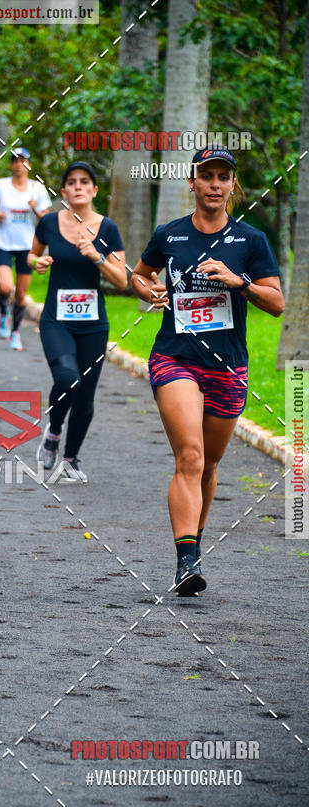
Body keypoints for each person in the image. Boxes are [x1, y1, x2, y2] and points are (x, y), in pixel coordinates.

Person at [131, 146, 284, 595]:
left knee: (210, 463)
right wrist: (150, 291)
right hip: (175, 356)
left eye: (223, 177)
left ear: (232, 185)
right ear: (192, 183)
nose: (215, 184)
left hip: (228, 364)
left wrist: (240, 282)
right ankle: (185, 560)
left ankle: (193, 548)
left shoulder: (250, 240)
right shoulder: (170, 235)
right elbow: (138, 278)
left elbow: (276, 303)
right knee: (190, 456)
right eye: (207, 176)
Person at [30, 161, 126, 483]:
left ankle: (70, 460)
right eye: (72, 182)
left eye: (85, 182)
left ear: (94, 190)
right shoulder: (48, 223)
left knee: (85, 394)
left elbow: (122, 280)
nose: (78, 187)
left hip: (93, 323)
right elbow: (31, 255)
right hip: (56, 319)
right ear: (64, 191)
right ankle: (54, 431)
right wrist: (38, 262)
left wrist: (97, 257)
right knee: (68, 377)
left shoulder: (108, 229)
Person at [0, 148, 51, 349]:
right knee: (6, 286)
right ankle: (3, 313)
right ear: (11, 164)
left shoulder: (38, 189)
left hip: (27, 246)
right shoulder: (0, 186)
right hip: (3, 243)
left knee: (20, 295)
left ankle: (15, 332)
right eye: (15, 160)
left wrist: (34, 208)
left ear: (29, 165)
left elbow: (47, 220)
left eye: (23, 161)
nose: (19, 165)